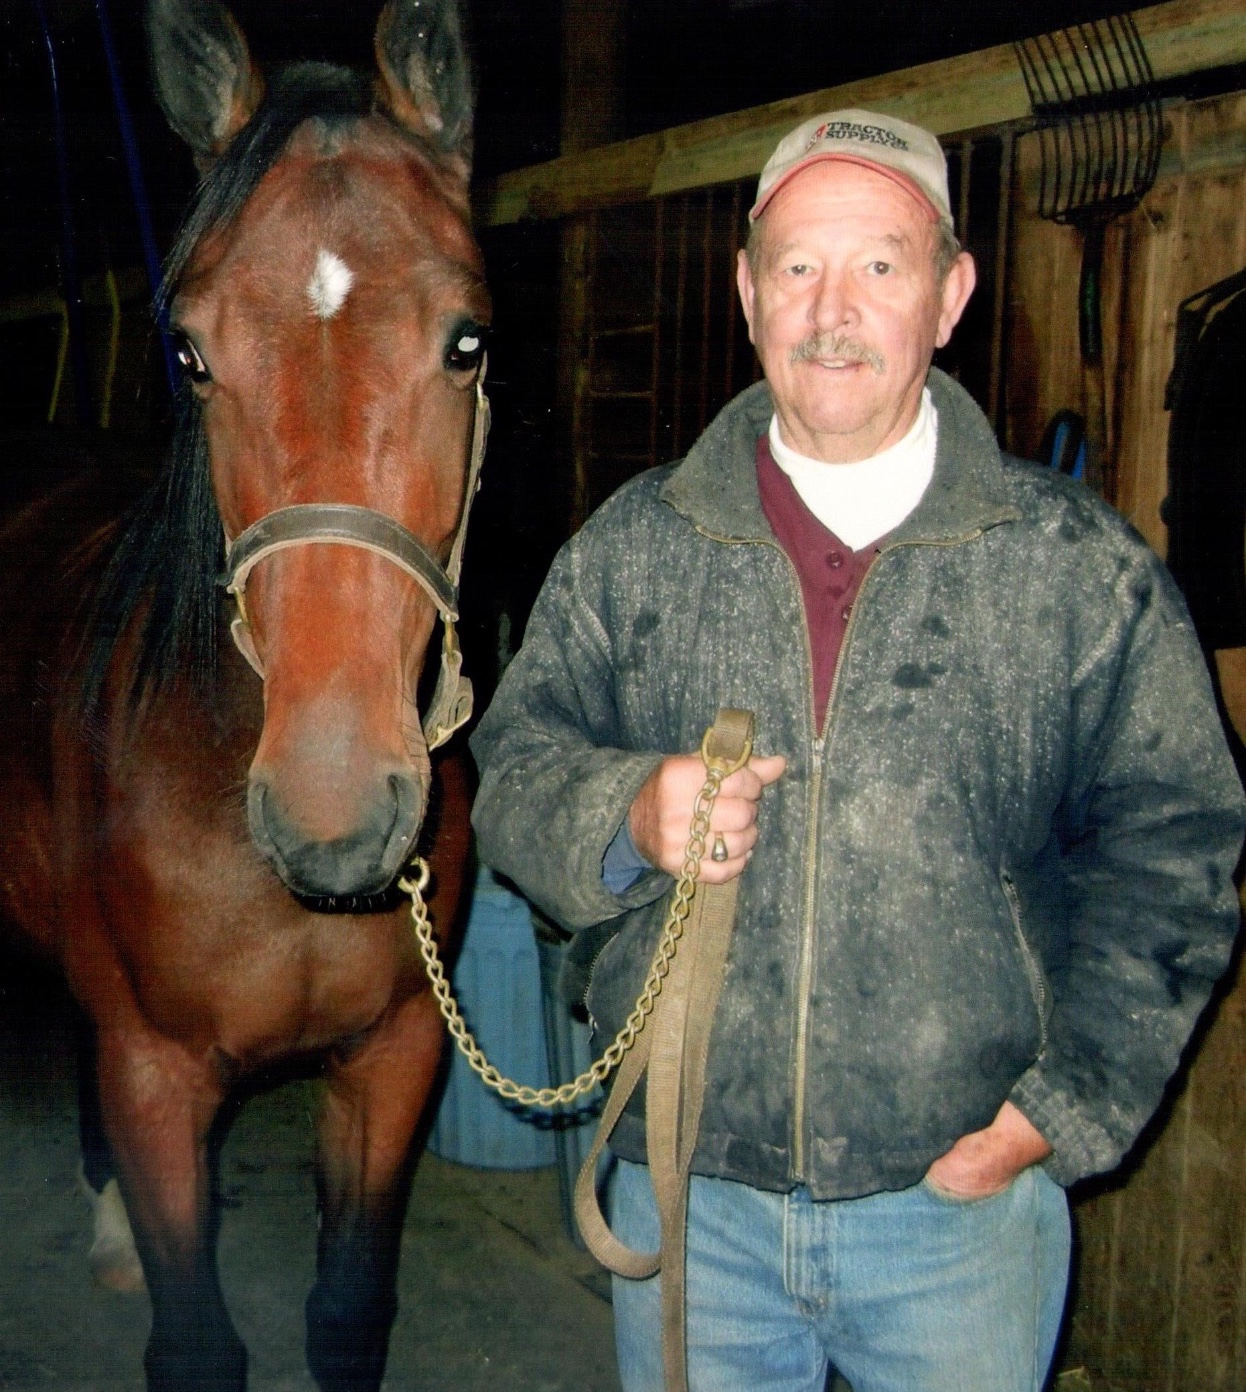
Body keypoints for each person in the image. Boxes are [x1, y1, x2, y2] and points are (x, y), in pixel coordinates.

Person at [469, 108, 1246, 1392]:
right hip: (685, 1199)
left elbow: (1176, 847)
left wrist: (1056, 1115)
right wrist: (624, 814)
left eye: (880, 265)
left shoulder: (1075, 573)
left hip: (956, 1215)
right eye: (797, 266)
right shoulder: (634, 547)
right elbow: (515, 767)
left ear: (948, 295)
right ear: (745, 290)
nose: (834, 309)